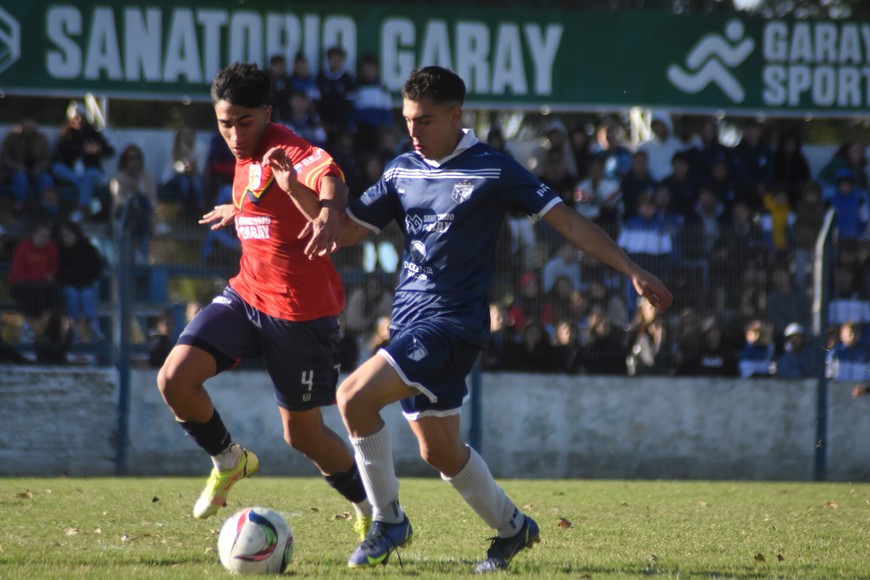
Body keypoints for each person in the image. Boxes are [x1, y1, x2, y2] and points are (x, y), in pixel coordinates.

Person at [273, 66, 672, 572]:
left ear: (457, 115)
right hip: (409, 322)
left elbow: (567, 220)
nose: (413, 130)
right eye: (407, 119)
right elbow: (346, 232)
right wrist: (293, 189)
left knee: (352, 396)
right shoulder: (402, 171)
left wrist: (631, 270)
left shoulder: (493, 169)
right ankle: (513, 529)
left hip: (452, 325)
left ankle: (387, 520)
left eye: (425, 120)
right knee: (440, 451)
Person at [155, 63, 372, 538]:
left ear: (267, 113)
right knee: (174, 378)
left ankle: (371, 507)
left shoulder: (287, 147)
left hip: (300, 314)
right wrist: (240, 208)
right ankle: (229, 460)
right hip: (247, 294)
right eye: (224, 123)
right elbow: (261, 193)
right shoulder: (242, 151)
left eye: (244, 122)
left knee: (303, 435)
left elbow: (330, 176)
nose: (234, 134)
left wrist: (329, 214)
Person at [51, 101, 114, 222]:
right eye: (76, 117)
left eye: (81, 117)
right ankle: (87, 197)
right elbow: (60, 152)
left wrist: (98, 150)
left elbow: (109, 151)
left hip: (91, 172)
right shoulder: (66, 135)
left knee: (89, 175)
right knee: (57, 168)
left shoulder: (93, 134)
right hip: (73, 174)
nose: (78, 120)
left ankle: (82, 207)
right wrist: (82, 149)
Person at [56, 221, 105, 344]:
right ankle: (74, 330)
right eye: (63, 236)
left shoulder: (88, 249)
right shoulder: (60, 251)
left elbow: (95, 269)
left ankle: (94, 328)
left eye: (68, 235)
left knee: (87, 294)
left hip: (85, 285)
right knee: (71, 294)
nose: (65, 239)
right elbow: (58, 273)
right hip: (67, 286)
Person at [110, 145, 158, 264]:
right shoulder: (118, 178)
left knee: (142, 208)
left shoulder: (147, 177)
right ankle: (129, 256)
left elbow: (151, 200)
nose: (133, 162)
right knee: (135, 209)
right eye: (130, 158)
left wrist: (138, 191)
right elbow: (118, 199)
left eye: (136, 158)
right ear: (124, 161)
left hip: (143, 218)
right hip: (124, 218)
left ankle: (141, 255)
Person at [0, 114, 54, 216]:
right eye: (27, 122)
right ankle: (19, 207)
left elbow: (47, 159)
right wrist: (17, 166)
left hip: (36, 171)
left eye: (32, 122)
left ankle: (46, 210)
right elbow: (5, 158)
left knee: (46, 179)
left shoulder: (41, 139)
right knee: (20, 178)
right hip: (17, 170)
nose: (29, 125)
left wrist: (40, 168)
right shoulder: (12, 137)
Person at [163, 124, 205, 218]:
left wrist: (188, 168)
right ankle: (182, 208)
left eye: (189, 134)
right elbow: (173, 168)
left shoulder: (201, 148)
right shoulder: (174, 148)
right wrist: (185, 167)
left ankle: (199, 208)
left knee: (195, 182)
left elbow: (200, 170)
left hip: (194, 176)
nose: (187, 137)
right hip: (175, 177)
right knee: (184, 181)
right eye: (184, 134)